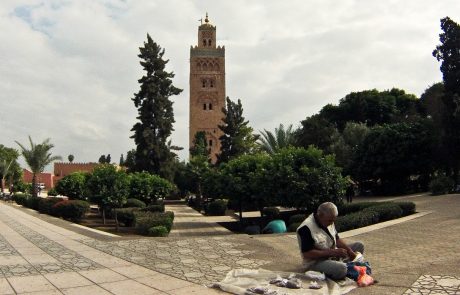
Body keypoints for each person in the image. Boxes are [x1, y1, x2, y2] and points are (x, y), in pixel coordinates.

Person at [296, 202, 364, 280]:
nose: (332, 223)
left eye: (333, 220)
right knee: (341, 269)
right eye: (329, 221)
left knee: (359, 245)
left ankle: (343, 266)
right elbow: (307, 254)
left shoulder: (328, 219)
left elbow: (337, 239)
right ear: (320, 215)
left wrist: (349, 251)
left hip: (332, 255)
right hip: (315, 262)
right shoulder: (306, 228)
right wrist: (333, 252)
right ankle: (342, 268)